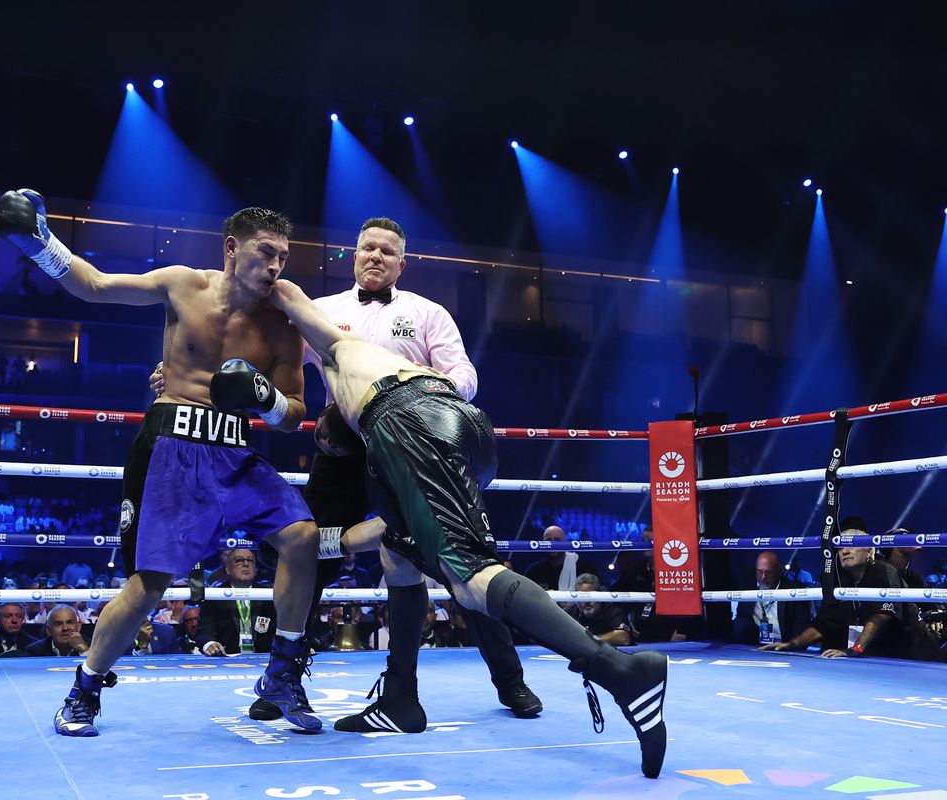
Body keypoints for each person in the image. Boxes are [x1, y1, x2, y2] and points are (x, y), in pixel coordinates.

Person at [261, 279, 669, 779]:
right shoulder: (378, 405)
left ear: (337, 425)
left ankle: (621, 671)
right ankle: (400, 699)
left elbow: (287, 295)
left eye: (325, 438)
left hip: (410, 419)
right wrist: (320, 542)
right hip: (458, 424)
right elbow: (381, 531)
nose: (322, 441)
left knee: (471, 579)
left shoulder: (344, 351)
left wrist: (251, 284)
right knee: (400, 553)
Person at [153, 217, 540, 719]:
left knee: (460, 563)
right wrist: (180, 374)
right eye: (367, 248)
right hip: (343, 453)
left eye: (387, 251)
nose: (375, 256)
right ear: (354, 256)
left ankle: (510, 681)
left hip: (417, 453)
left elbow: (465, 375)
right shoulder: (319, 311)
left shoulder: (428, 313)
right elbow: (261, 354)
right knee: (307, 556)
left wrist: (429, 387)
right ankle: (282, 681)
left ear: (402, 263)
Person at [0, 191, 321, 735]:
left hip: (235, 452)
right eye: (266, 252)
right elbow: (96, 285)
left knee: (302, 536)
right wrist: (40, 244)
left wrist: (264, 399)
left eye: (283, 257)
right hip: (171, 448)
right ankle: (84, 691)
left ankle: (282, 675)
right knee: (150, 584)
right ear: (231, 248)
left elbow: (295, 414)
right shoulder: (182, 284)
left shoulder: (283, 323)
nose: (275, 266)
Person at [760, 543, 939, 660]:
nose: (845, 551)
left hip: (917, 655)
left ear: (870, 551)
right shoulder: (841, 580)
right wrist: (793, 644)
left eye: (852, 545)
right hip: (888, 657)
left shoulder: (883, 570)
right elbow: (825, 622)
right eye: (841, 547)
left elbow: (883, 613)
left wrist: (856, 649)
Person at [196, 549, 276, 656]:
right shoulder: (214, 596)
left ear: (256, 569)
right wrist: (209, 644)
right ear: (228, 569)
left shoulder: (269, 595)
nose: (246, 564)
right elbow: (205, 629)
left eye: (250, 560)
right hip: (225, 658)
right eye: (239, 560)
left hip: (265, 658)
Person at [731, 551, 811, 646]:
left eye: (768, 572)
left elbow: (801, 626)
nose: (763, 577)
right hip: (755, 641)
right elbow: (741, 617)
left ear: (779, 571)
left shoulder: (795, 590)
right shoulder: (747, 584)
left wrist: (791, 645)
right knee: (740, 625)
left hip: (783, 642)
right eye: (760, 572)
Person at [26, 605, 91, 657]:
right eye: (58, 624)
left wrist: (84, 650)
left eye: (70, 622)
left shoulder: (93, 647)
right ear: (49, 630)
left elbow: (94, 669)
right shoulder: (35, 652)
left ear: (78, 627)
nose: (65, 628)